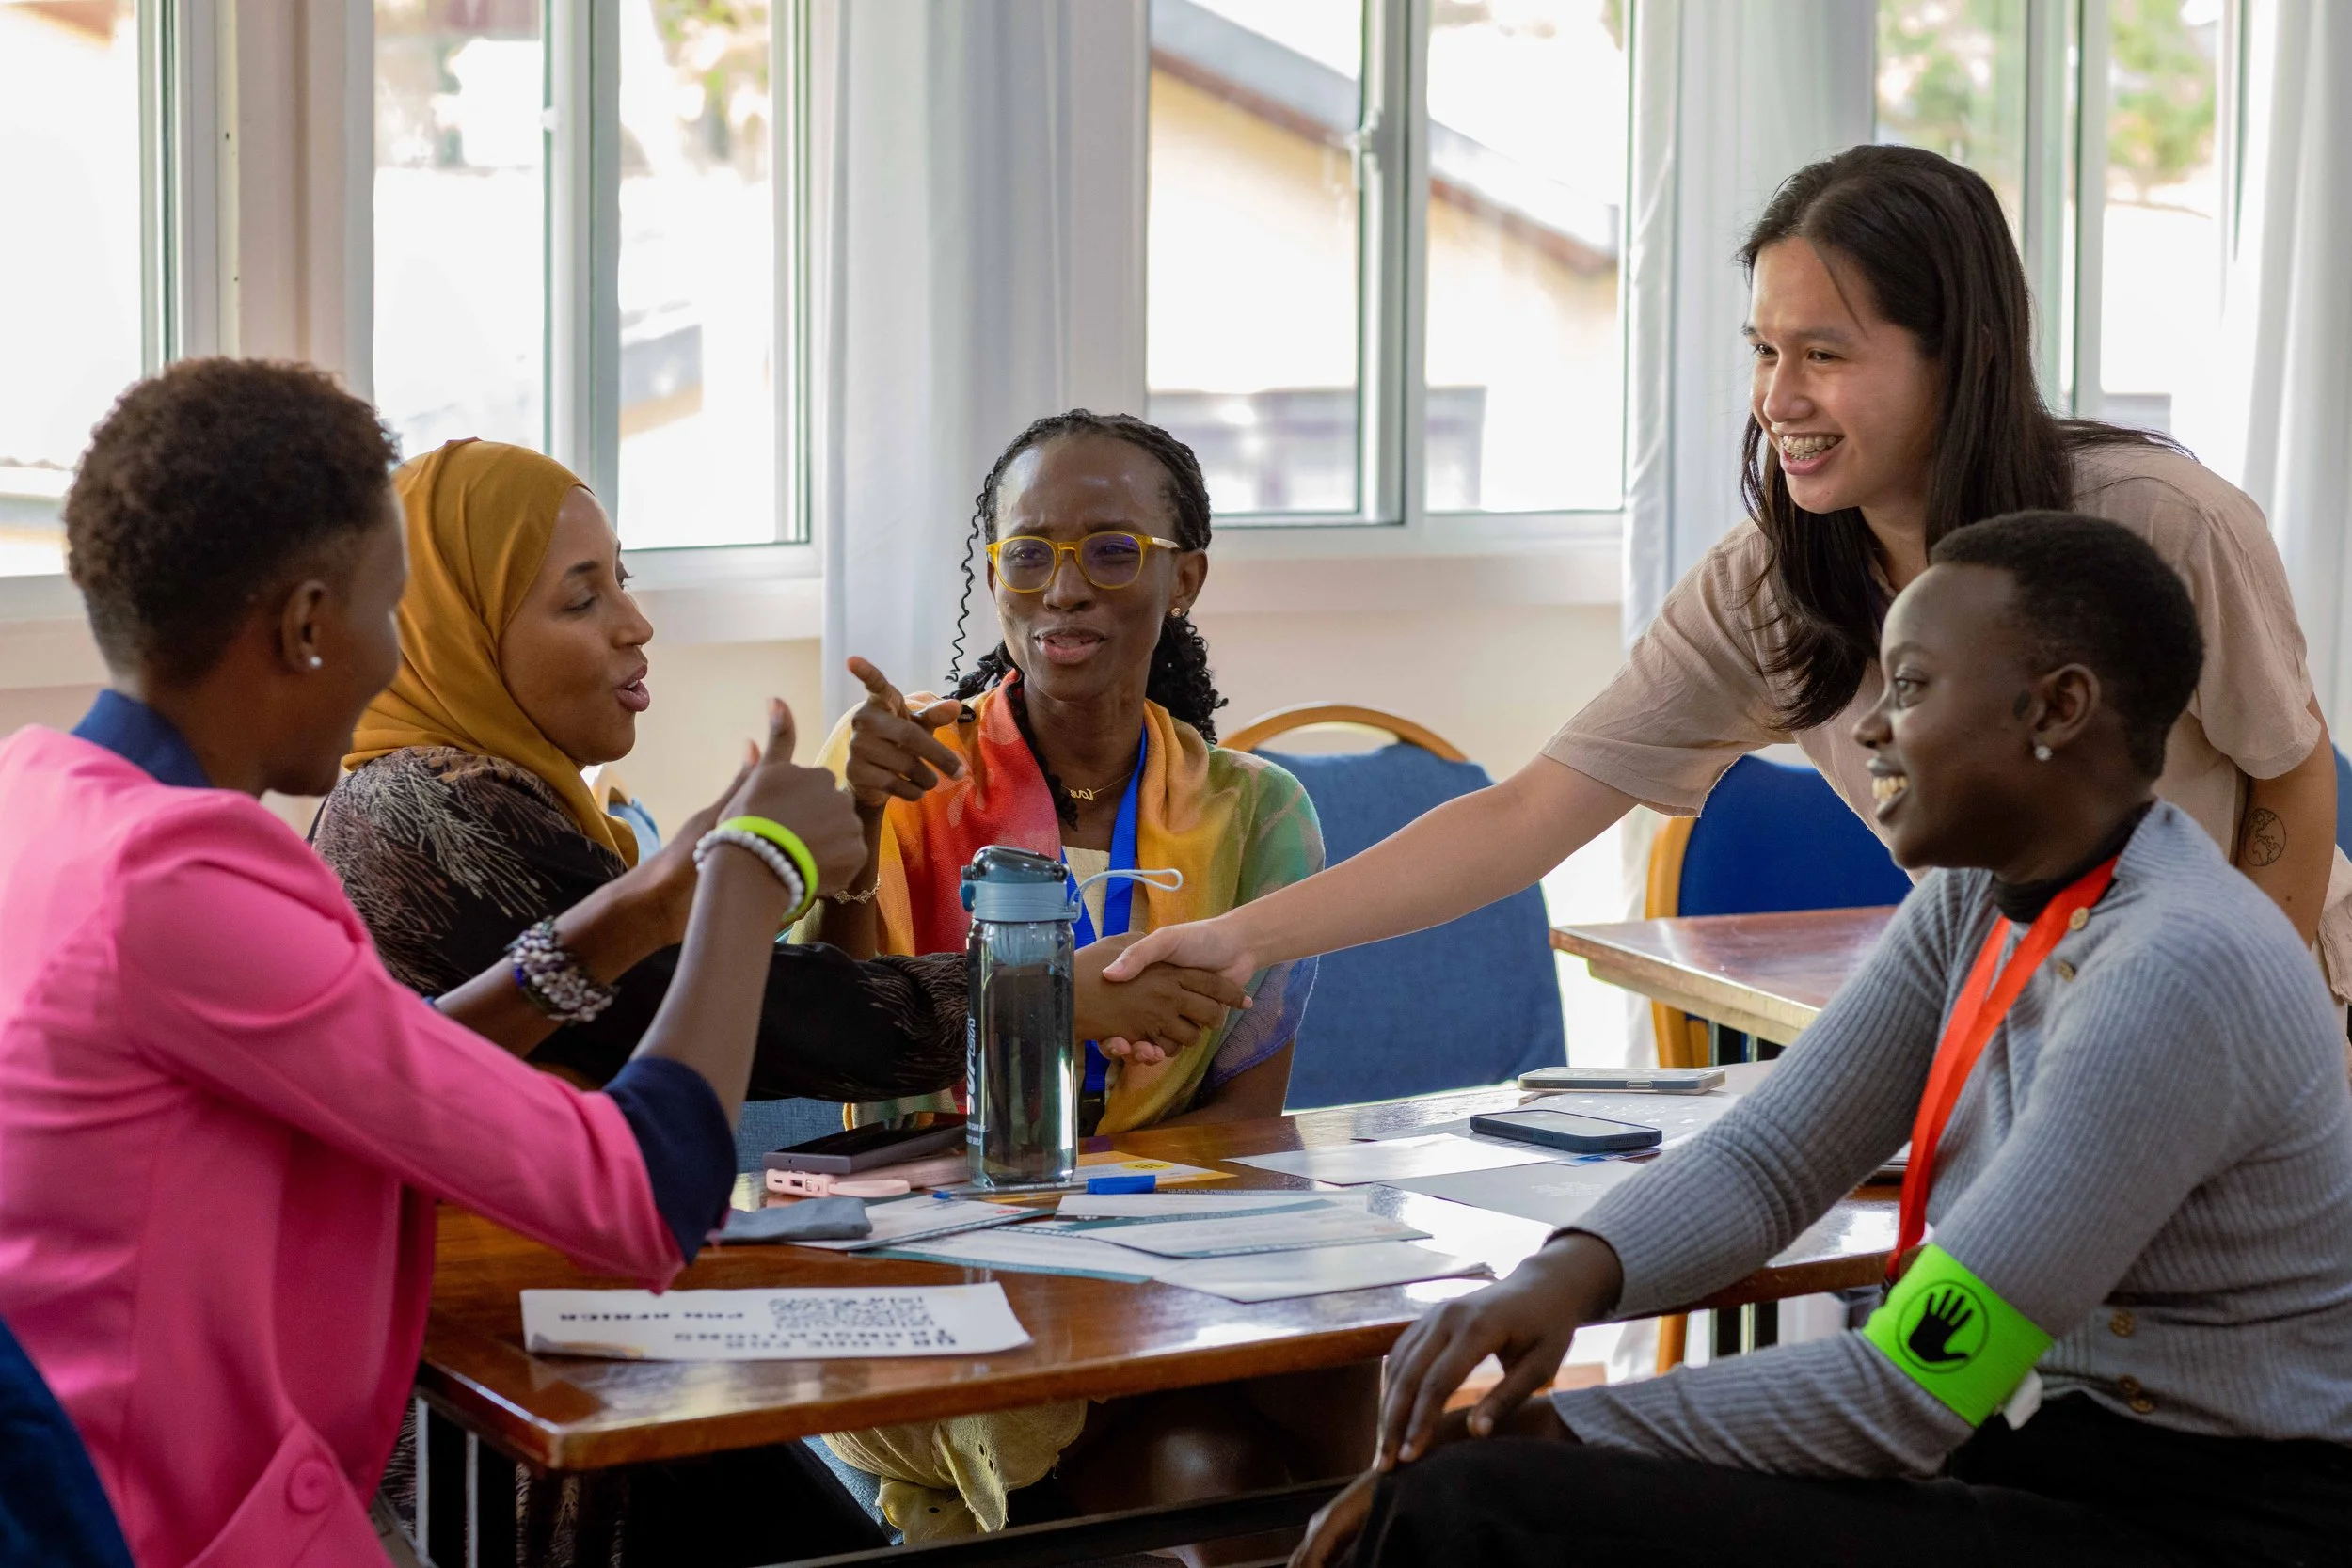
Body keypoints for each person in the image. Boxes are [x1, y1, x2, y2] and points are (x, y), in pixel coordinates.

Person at [1291, 513, 2352, 1568]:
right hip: (2034, 1450)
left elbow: (1911, 1383)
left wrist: (1543, 1424)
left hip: (2206, 1517)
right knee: (1486, 1493)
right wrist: (1564, 1276)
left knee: (1483, 1504)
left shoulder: (2171, 965)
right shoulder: (1977, 899)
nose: (1874, 729)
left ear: (2057, 707)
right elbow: (1770, 1159)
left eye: (1911, 684)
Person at [1107, 143, 2350, 1026]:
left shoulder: (2157, 521)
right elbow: (1529, 811)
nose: (1778, 399)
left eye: (1824, 354)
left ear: (1957, 359)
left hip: (2279, 997)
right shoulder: (1771, 581)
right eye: (1763, 350)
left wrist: (2241, 1015)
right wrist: (1240, 935)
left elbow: (2291, 765)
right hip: (2034, 1006)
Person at [0, 358, 868, 1568]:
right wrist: (754, 868)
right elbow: (645, 1192)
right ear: (308, 624)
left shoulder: (44, 799)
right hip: (175, 1529)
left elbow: (383, 1072)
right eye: (390, 607)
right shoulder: (184, 882)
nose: (396, 654)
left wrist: (644, 900)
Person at [808, 410, 1358, 1558]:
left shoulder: (1259, 813)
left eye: (1113, 550)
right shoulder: (900, 775)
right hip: (950, 1253)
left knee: (1355, 1377)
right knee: (1218, 1468)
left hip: (1172, 1256)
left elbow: (1246, 1122)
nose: (1065, 589)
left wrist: (1112, 1240)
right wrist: (852, 828)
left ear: (1185, 577)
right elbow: (841, 1047)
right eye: (1029, 552)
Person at [312, 437, 1243, 1103]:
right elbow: (776, 1024)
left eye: (623, 580)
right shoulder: (433, 812)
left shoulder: (492, 798)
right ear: (457, 632)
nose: (635, 624)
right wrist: (1045, 992)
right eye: (581, 596)